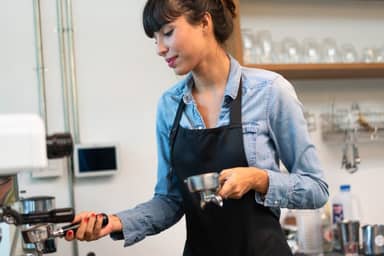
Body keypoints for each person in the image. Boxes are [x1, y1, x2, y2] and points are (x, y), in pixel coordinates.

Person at [65, 0, 329, 255]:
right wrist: (114, 222)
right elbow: (170, 201)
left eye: (167, 33)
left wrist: (258, 179)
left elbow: (316, 189)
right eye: (155, 38)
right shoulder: (170, 105)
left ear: (204, 22)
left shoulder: (269, 91)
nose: (159, 48)